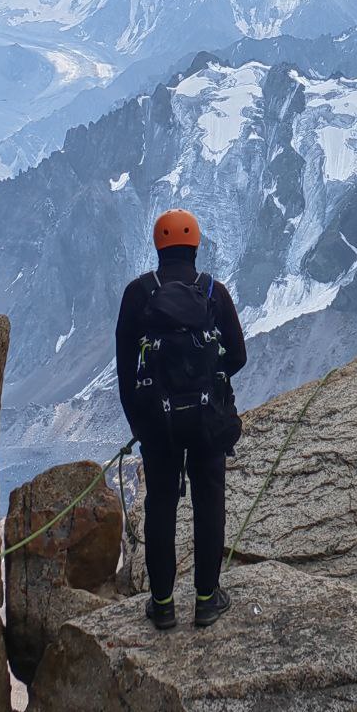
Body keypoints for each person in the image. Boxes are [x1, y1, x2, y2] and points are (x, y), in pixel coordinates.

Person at [115, 208, 247, 629]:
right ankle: (207, 599)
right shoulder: (213, 292)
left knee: (160, 506)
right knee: (210, 502)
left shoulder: (138, 294)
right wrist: (209, 377)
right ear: (195, 246)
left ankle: (163, 604)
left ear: (158, 246)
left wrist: (142, 423)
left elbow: (124, 370)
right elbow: (238, 356)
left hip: (160, 424)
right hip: (208, 420)